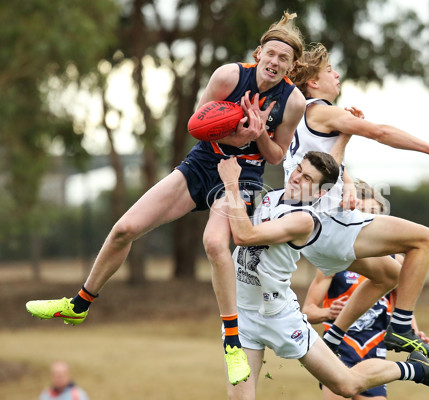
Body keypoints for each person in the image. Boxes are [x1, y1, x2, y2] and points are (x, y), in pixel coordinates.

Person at [25, 11, 307, 385]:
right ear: (259, 53)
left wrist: (257, 136)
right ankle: (78, 304)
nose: (274, 62)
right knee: (125, 228)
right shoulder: (228, 76)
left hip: (241, 177)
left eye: (283, 58)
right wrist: (234, 134)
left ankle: (232, 343)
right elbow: (196, 125)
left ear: (292, 66)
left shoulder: (294, 102)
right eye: (270, 53)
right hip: (203, 163)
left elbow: (275, 156)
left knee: (214, 245)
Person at [216, 152, 429, 399]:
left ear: (319, 193)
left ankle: (414, 368)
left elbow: (244, 236)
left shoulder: (304, 220)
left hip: (278, 316)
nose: (297, 177)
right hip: (242, 316)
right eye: (299, 169)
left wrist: (231, 183)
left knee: (347, 385)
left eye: (307, 178)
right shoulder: (271, 197)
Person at [284, 42, 429, 358]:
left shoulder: (292, 119)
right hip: (328, 223)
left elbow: (327, 167)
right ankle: (402, 328)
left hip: (308, 234)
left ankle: (334, 339)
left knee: (389, 275)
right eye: (329, 71)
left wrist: (346, 178)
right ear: (313, 82)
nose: (336, 75)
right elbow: (378, 131)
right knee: (425, 240)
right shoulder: (322, 111)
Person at [303, 179, 429, 400]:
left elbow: (402, 302)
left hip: (374, 348)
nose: (368, 220)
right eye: (363, 212)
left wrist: (414, 331)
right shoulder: (337, 260)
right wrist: (328, 313)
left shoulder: (396, 262)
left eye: (374, 213)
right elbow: (307, 311)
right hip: (339, 347)